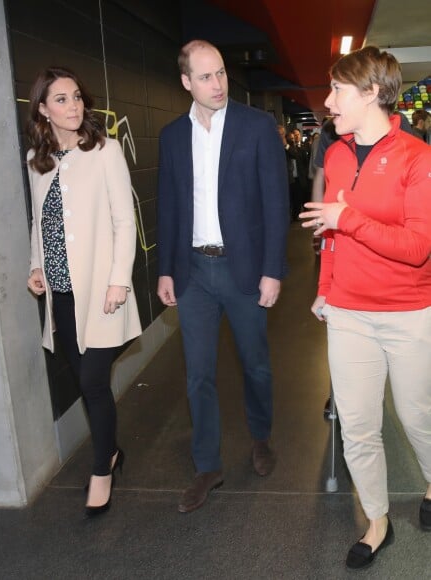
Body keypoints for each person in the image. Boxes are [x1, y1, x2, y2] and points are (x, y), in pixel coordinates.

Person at [300, 46, 431, 570]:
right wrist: (327, 287)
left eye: (338, 90)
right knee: (357, 425)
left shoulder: (417, 159)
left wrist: (346, 218)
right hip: (349, 312)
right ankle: (377, 521)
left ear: (372, 93)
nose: (328, 101)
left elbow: (418, 246)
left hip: (407, 312)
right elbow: (330, 236)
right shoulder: (334, 153)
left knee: (417, 417)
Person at [157, 40, 289, 514]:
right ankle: (207, 465)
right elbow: (168, 208)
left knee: (255, 364)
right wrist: (166, 270)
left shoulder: (256, 127)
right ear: (186, 82)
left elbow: (277, 205)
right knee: (198, 374)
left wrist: (273, 271)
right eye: (206, 77)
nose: (218, 84)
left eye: (221, 74)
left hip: (244, 270)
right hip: (193, 271)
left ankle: (260, 437)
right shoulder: (173, 136)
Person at [25, 66, 141, 519]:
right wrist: (36, 265)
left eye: (76, 97)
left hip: (101, 289)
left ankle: (101, 469)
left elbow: (123, 219)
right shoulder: (38, 158)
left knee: (93, 380)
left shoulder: (105, 150)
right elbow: (40, 221)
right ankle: (110, 451)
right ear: (42, 109)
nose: (73, 106)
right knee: (88, 384)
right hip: (62, 293)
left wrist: (119, 279)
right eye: (61, 99)